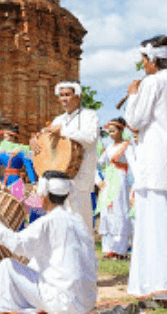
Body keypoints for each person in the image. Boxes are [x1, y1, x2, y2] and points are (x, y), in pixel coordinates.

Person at [124, 35, 167, 307]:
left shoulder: (152, 83)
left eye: (143, 60)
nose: (142, 65)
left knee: (155, 231)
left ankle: (161, 291)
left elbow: (134, 120)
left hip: (154, 168)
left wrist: (132, 95)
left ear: (152, 60)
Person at [0, 170, 98, 314]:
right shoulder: (78, 221)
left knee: (7, 266)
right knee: (32, 264)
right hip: (86, 301)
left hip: (62, 303)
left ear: (44, 196)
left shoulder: (48, 221)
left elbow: (16, 244)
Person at [37, 81, 99, 236]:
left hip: (81, 178)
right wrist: (36, 141)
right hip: (58, 180)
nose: (64, 99)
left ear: (78, 97)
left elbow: (90, 138)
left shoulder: (89, 115)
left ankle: (85, 259)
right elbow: (48, 144)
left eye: (68, 95)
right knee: (60, 225)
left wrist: (63, 131)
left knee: (81, 224)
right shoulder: (58, 119)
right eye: (61, 95)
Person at [97, 117, 133, 260]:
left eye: (113, 131)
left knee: (119, 210)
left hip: (120, 177)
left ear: (120, 131)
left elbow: (133, 164)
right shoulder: (109, 148)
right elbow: (100, 162)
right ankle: (110, 248)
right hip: (109, 178)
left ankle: (121, 249)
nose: (111, 134)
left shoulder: (127, 146)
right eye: (109, 132)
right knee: (107, 210)